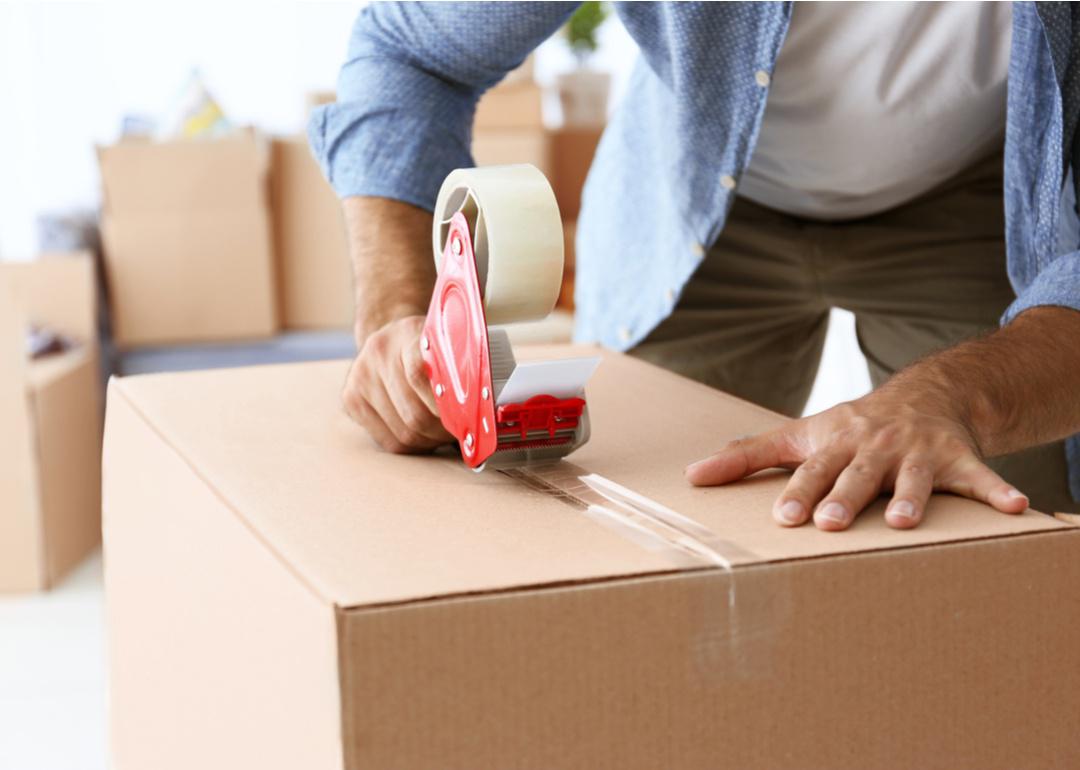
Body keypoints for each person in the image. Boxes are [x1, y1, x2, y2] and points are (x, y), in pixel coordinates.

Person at [308, 2, 1080, 531]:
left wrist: (961, 397)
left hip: (979, 201)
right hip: (697, 193)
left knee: (1011, 538)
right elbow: (414, 55)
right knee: (616, 516)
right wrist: (401, 314)